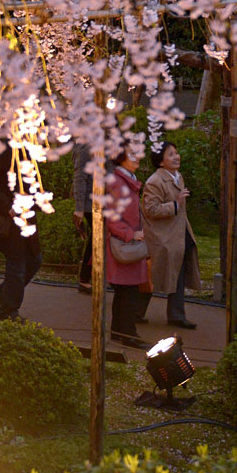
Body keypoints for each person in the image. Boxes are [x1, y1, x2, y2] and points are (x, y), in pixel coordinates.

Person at [138, 142, 201, 329]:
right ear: (160, 161)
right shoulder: (154, 182)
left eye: (176, 152)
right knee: (152, 276)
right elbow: (150, 209)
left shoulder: (177, 176)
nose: (176, 157)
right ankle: (135, 312)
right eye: (170, 154)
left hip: (179, 234)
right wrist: (175, 204)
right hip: (162, 237)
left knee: (178, 274)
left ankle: (176, 315)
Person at [0, 142, 42, 321]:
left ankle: (4, 293)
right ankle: (9, 311)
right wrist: (7, 206)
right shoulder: (3, 146)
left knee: (34, 260)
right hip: (10, 218)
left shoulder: (28, 148)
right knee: (18, 262)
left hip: (26, 215)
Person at [104, 148, 150, 349]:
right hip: (125, 244)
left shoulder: (127, 180)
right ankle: (127, 333)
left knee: (125, 291)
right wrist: (131, 234)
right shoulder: (118, 182)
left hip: (127, 243)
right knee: (129, 291)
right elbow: (111, 218)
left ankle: (118, 330)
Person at [71, 142, 94, 294]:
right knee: (98, 238)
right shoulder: (86, 145)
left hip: (99, 200)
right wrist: (79, 208)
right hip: (90, 202)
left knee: (98, 238)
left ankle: (86, 277)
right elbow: (79, 177)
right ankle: (85, 278)